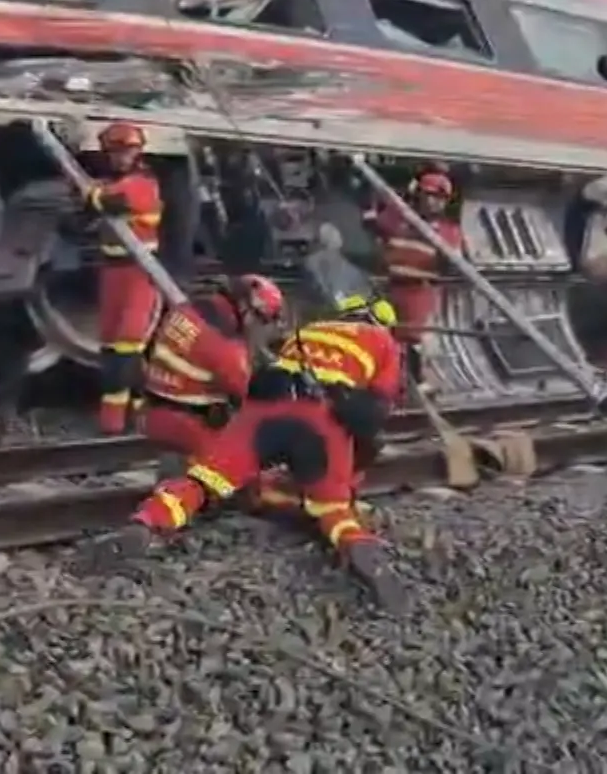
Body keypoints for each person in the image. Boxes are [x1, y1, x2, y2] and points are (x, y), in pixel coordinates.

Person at [94, 295, 410, 611]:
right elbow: (374, 413)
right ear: (381, 323)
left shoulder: (311, 330)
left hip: (264, 411)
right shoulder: (384, 342)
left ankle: (146, 522)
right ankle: (358, 546)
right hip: (321, 421)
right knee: (333, 510)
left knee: (205, 479)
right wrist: (350, 470)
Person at [132, 274, 285, 452]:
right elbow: (244, 394)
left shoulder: (189, 308)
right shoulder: (227, 346)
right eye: (261, 320)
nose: (259, 327)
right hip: (187, 427)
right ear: (245, 308)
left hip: (150, 412)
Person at [83, 121, 167, 435]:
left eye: (126, 152)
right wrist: (93, 194)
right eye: (114, 152)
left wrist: (93, 194)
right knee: (111, 349)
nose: (120, 158)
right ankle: (134, 417)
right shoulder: (115, 183)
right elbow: (92, 202)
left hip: (139, 274)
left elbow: (104, 201)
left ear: (138, 153)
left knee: (126, 349)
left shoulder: (142, 184)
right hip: (113, 273)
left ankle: (116, 423)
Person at [363, 168, 466, 389]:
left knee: (411, 338)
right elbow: (370, 221)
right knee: (379, 333)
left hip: (419, 291)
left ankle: (417, 383)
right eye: (427, 194)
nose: (431, 201)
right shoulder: (398, 217)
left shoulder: (449, 231)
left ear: (446, 201)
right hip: (388, 287)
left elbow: (454, 265)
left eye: (438, 197)